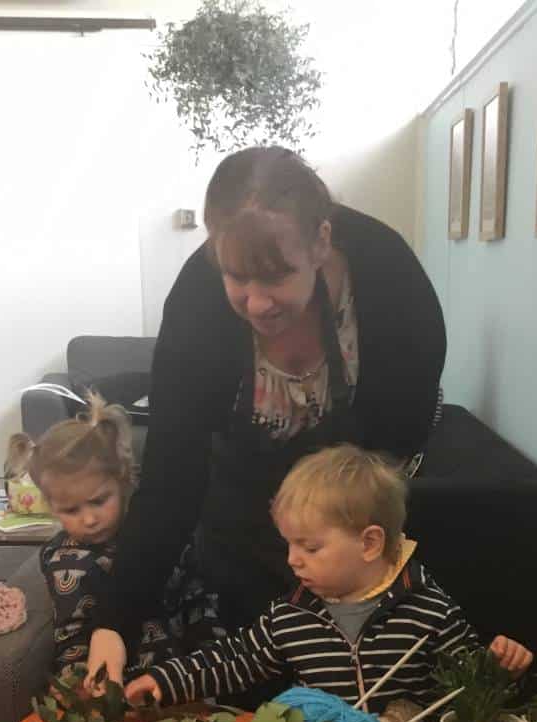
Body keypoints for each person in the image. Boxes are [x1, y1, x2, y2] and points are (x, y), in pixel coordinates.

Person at [87, 145, 447, 688]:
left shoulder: (392, 285)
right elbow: (171, 479)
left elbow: (391, 464)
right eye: (238, 278)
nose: (257, 303)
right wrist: (115, 619)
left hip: (360, 539)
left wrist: (347, 569)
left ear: (321, 241)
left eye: (277, 277)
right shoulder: (197, 307)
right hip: (241, 536)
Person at [125, 445, 532, 712]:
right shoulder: (290, 615)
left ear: (369, 543)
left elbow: (467, 685)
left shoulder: (430, 609)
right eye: (289, 545)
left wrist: (501, 667)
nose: (292, 561)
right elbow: (235, 660)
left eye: (310, 548)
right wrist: (164, 679)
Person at [7, 395, 222, 673]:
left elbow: (199, 602)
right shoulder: (64, 562)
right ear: (51, 507)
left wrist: (212, 665)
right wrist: (77, 689)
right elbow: (71, 636)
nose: (89, 519)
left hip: (181, 683)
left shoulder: (162, 537)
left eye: (98, 501)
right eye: (71, 510)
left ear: (123, 479)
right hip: (111, 688)